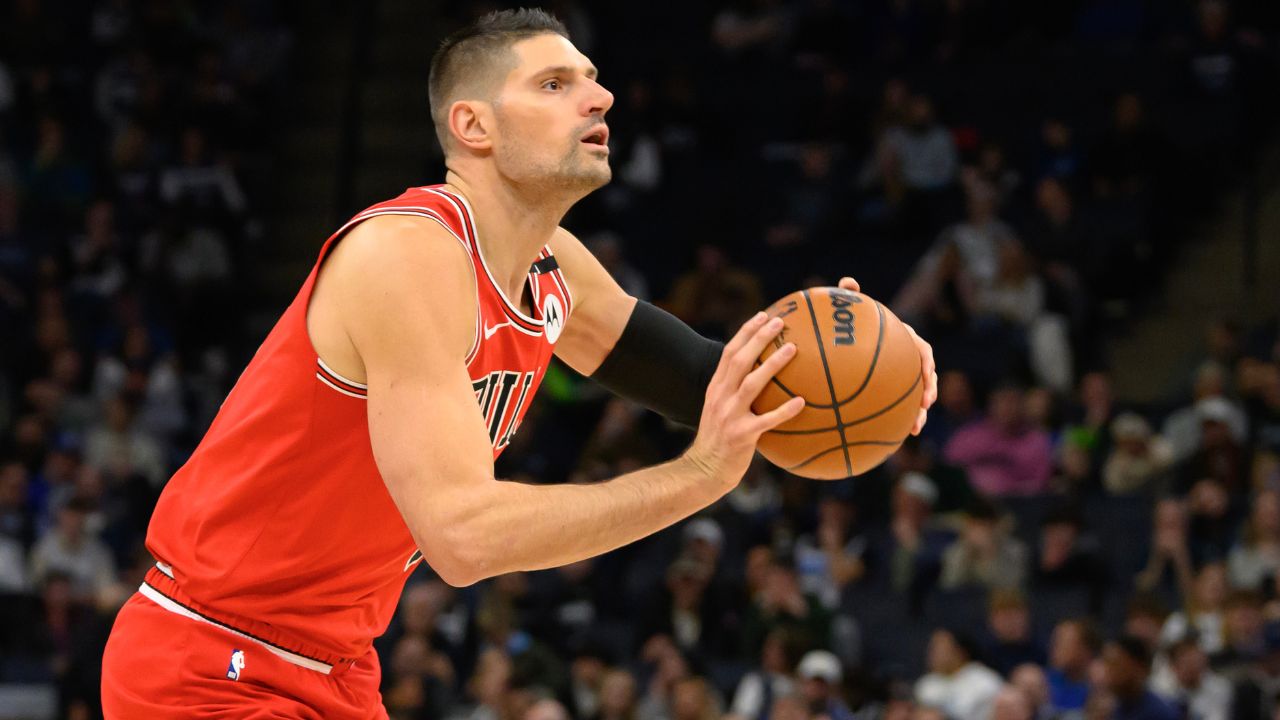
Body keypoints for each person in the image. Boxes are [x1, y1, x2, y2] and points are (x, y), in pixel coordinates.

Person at [98, 8, 938, 718]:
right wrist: (697, 478)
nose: (600, 97)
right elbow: (464, 537)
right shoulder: (406, 256)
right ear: (475, 127)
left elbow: (707, 382)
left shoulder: (552, 265)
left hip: (336, 664)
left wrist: (856, 364)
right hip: (210, 659)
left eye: (593, 80)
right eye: (555, 84)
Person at [1102, 635, 1178, 720]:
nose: (1107, 671)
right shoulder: (1112, 709)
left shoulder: (1160, 713)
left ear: (1138, 667)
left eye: (1115, 664)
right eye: (1106, 664)